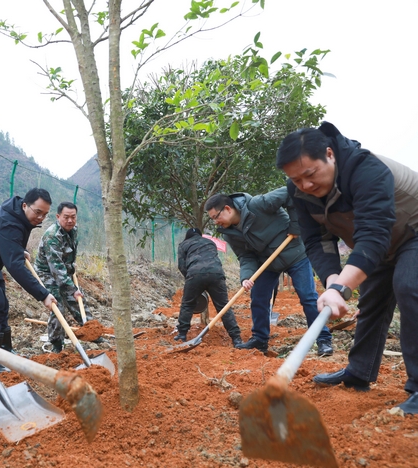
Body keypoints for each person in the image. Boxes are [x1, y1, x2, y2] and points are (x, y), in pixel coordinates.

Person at [276, 121, 418, 414]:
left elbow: (374, 232)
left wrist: (344, 284)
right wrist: (332, 282)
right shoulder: (300, 192)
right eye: (296, 180)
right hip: (379, 244)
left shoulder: (366, 169)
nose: (304, 185)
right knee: (372, 301)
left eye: (309, 175)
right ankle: (359, 371)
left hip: (411, 230)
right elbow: (317, 241)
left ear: (329, 154)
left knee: (410, 287)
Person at [205, 187, 333, 355]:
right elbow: (245, 256)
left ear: (227, 209)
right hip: (266, 262)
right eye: (212, 219)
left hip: (295, 254)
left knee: (308, 297)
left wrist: (296, 225)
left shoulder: (258, 204)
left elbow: (292, 192)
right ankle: (260, 340)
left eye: (216, 217)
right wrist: (245, 277)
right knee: (258, 299)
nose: (215, 222)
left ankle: (323, 339)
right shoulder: (229, 233)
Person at [0, 188, 57, 371]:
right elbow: (15, 266)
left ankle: (5, 351)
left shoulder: (18, 216)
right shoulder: (10, 222)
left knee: (3, 304)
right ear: (25, 205)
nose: (40, 218)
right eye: (37, 212)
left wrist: (15, 249)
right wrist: (43, 294)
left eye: (45, 215)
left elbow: (6, 240)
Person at [35, 201, 93, 353]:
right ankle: (56, 343)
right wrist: (72, 288)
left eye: (73, 217)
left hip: (64, 270)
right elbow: (56, 269)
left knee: (78, 299)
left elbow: (69, 255)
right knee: (58, 305)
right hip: (47, 273)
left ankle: (92, 331)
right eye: (66, 217)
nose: (70, 220)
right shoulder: (52, 236)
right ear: (58, 216)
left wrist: (71, 271)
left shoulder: (74, 229)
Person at [174, 228, 242, 346]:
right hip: (216, 273)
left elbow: (181, 266)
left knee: (188, 304)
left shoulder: (184, 245)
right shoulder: (210, 242)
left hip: (195, 273)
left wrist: (191, 279)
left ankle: (182, 334)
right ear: (201, 235)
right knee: (224, 307)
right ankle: (236, 338)